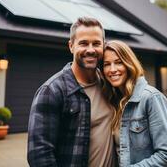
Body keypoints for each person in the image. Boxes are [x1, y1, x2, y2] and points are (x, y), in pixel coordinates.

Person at [27, 17, 116, 167]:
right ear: (71, 46)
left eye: (96, 43)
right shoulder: (52, 91)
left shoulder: (109, 84)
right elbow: (39, 155)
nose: (90, 49)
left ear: (103, 46)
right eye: (83, 43)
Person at [102, 40, 167, 167]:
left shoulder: (151, 98)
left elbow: (166, 156)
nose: (112, 69)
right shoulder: (113, 102)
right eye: (107, 64)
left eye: (118, 62)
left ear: (129, 64)